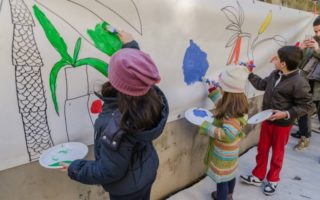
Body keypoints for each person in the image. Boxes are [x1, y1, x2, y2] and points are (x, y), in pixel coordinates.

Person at [60, 31, 169, 200]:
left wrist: (75, 168)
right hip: (146, 173)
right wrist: (130, 45)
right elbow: (137, 71)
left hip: (126, 191)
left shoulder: (115, 126)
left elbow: (108, 171)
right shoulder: (150, 95)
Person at [240, 46, 315, 196]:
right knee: (262, 149)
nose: (274, 59)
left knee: (277, 153)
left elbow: (308, 106)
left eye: (277, 58)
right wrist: (249, 74)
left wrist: (286, 114)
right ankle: (258, 176)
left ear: (283, 63)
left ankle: (273, 180)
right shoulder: (275, 74)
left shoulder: (299, 82)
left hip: (282, 126)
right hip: (267, 120)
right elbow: (262, 84)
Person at [199, 65, 249, 200]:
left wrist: (207, 127)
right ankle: (229, 195)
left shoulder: (231, 114)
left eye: (221, 88)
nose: (220, 89)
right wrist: (212, 90)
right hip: (231, 153)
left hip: (223, 153)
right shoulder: (237, 104)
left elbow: (227, 135)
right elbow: (221, 104)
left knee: (221, 180)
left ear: (228, 91)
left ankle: (222, 197)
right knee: (230, 174)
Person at [291, 16, 320, 151]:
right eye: (315, 31)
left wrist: (318, 50)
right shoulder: (313, 41)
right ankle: (304, 136)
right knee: (303, 111)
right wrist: (302, 49)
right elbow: (300, 64)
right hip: (307, 83)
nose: (317, 34)